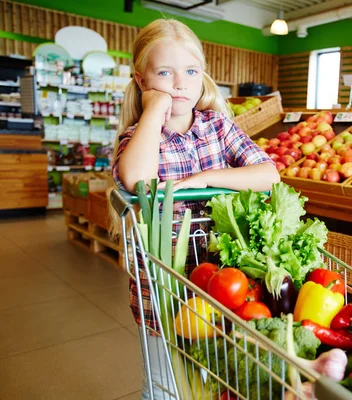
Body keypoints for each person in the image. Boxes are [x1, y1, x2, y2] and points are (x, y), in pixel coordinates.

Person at [110, 18, 279, 399]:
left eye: (190, 71)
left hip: (224, 285)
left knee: (219, 379)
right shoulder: (136, 137)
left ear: (202, 75)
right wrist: (154, 109)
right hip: (163, 289)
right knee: (167, 382)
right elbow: (136, 178)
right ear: (141, 80)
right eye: (165, 73)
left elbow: (270, 175)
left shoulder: (219, 127)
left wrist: (206, 179)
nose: (180, 82)